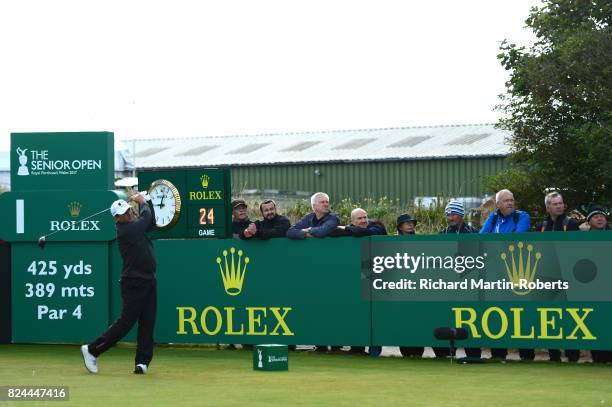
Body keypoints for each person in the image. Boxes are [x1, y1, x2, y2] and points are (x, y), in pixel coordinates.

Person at [81, 193, 157, 374]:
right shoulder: (125, 230)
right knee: (126, 323)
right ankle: (92, 350)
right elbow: (146, 218)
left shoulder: (134, 226)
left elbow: (150, 221)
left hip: (148, 280)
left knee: (148, 322)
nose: (130, 213)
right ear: (117, 217)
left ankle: (142, 362)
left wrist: (147, 203)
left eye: (129, 210)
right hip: (134, 282)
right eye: (125, 212)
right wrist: (143, 202)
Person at [480, 189, 531, 361]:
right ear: (498, 204)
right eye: (506, 200)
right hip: (496, 274)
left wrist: (494, 245)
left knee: (521, 314)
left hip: (519, 273)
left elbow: (516, 240)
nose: (510, 203)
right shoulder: (493, 218)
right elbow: (481, 238)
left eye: (512, 200)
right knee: (497, 313)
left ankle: (527, 355)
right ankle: (499, 354)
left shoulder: (522, 216)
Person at [536, 192, 580, 362]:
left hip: (567, 277)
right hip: (547, 279)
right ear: (548, 207)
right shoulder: (541, 226)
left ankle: (573, 354)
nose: (559, 206)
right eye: (555, 204)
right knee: (548, 317)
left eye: (561, 203)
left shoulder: (572, 225)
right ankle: (553, 354)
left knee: (570, 317)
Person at [437, 200, 481, 359]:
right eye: (448, 214)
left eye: (453, 214)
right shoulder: (443, 234)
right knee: (450, 318)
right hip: (450, 285)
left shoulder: (473, 232)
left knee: (470, 319)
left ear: (461, 215)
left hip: (470, 283)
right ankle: (449, 352)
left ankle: (473, 353)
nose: (450, 217)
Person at [585, 204, 612, 362]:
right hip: (592, 288)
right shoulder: (582, 238)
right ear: (589, 221)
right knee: (596, 323)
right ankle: (598, 357)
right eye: (595, 216)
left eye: (602, 215)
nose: (600, 218)